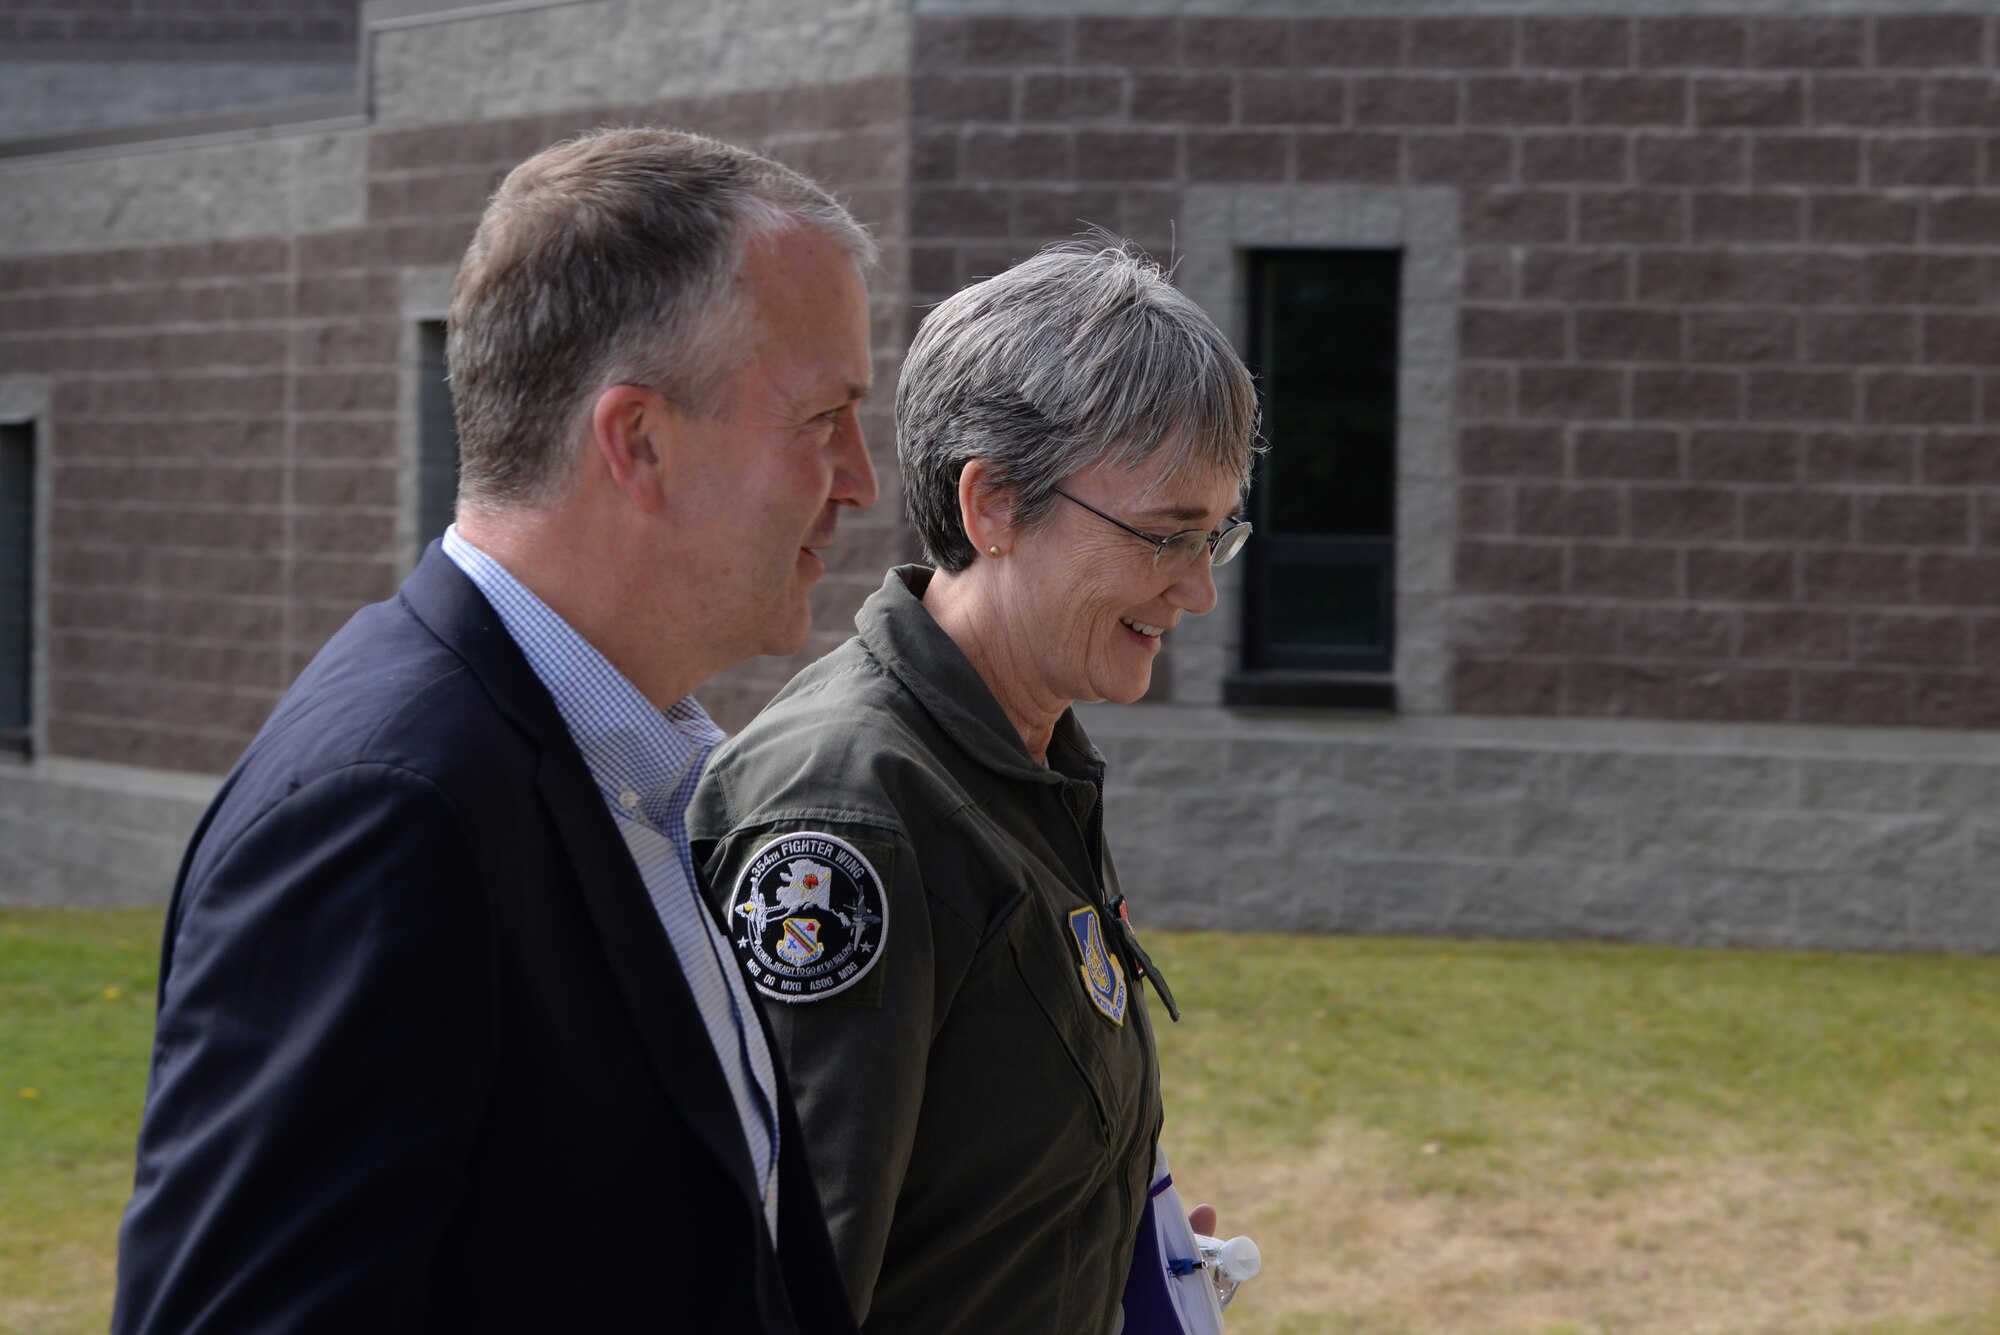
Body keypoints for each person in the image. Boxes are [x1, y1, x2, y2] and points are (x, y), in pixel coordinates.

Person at [114, 128, 878, 1333]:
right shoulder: (386, 811)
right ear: (638, 441)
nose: (860, 480)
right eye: (827, 416)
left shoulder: (633, 770)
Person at [690, 238, 1260, 1334]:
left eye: (1215, 537)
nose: (1196, 591)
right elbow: (792, 1288)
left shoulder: (1018, 753)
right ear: (991, 503)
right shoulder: (852, 812)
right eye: (1163, 537)